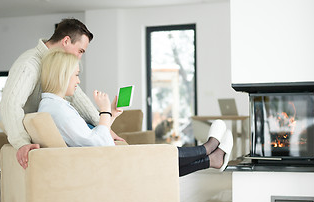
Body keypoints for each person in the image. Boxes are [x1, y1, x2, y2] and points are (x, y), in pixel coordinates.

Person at [38, 49, 234, 176]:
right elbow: (97, 143)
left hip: (102, 159)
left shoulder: (53, 106)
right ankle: (208, 150)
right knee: (160, 155)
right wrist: (104, 111)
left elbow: (90, 139)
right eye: (76, 75)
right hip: (106, 163)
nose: (78, 81)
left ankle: (211, 158)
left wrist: (112, 114)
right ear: (62, 75)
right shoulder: (57, 110)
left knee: (160, 159)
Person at [0, 18, 124, 169]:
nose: (79, 57)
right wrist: (22, 143)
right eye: (80, 51)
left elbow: (78, 98)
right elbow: (9, 104)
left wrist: (105, 126)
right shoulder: (29, 64)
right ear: (66, 41)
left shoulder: (60, 71)